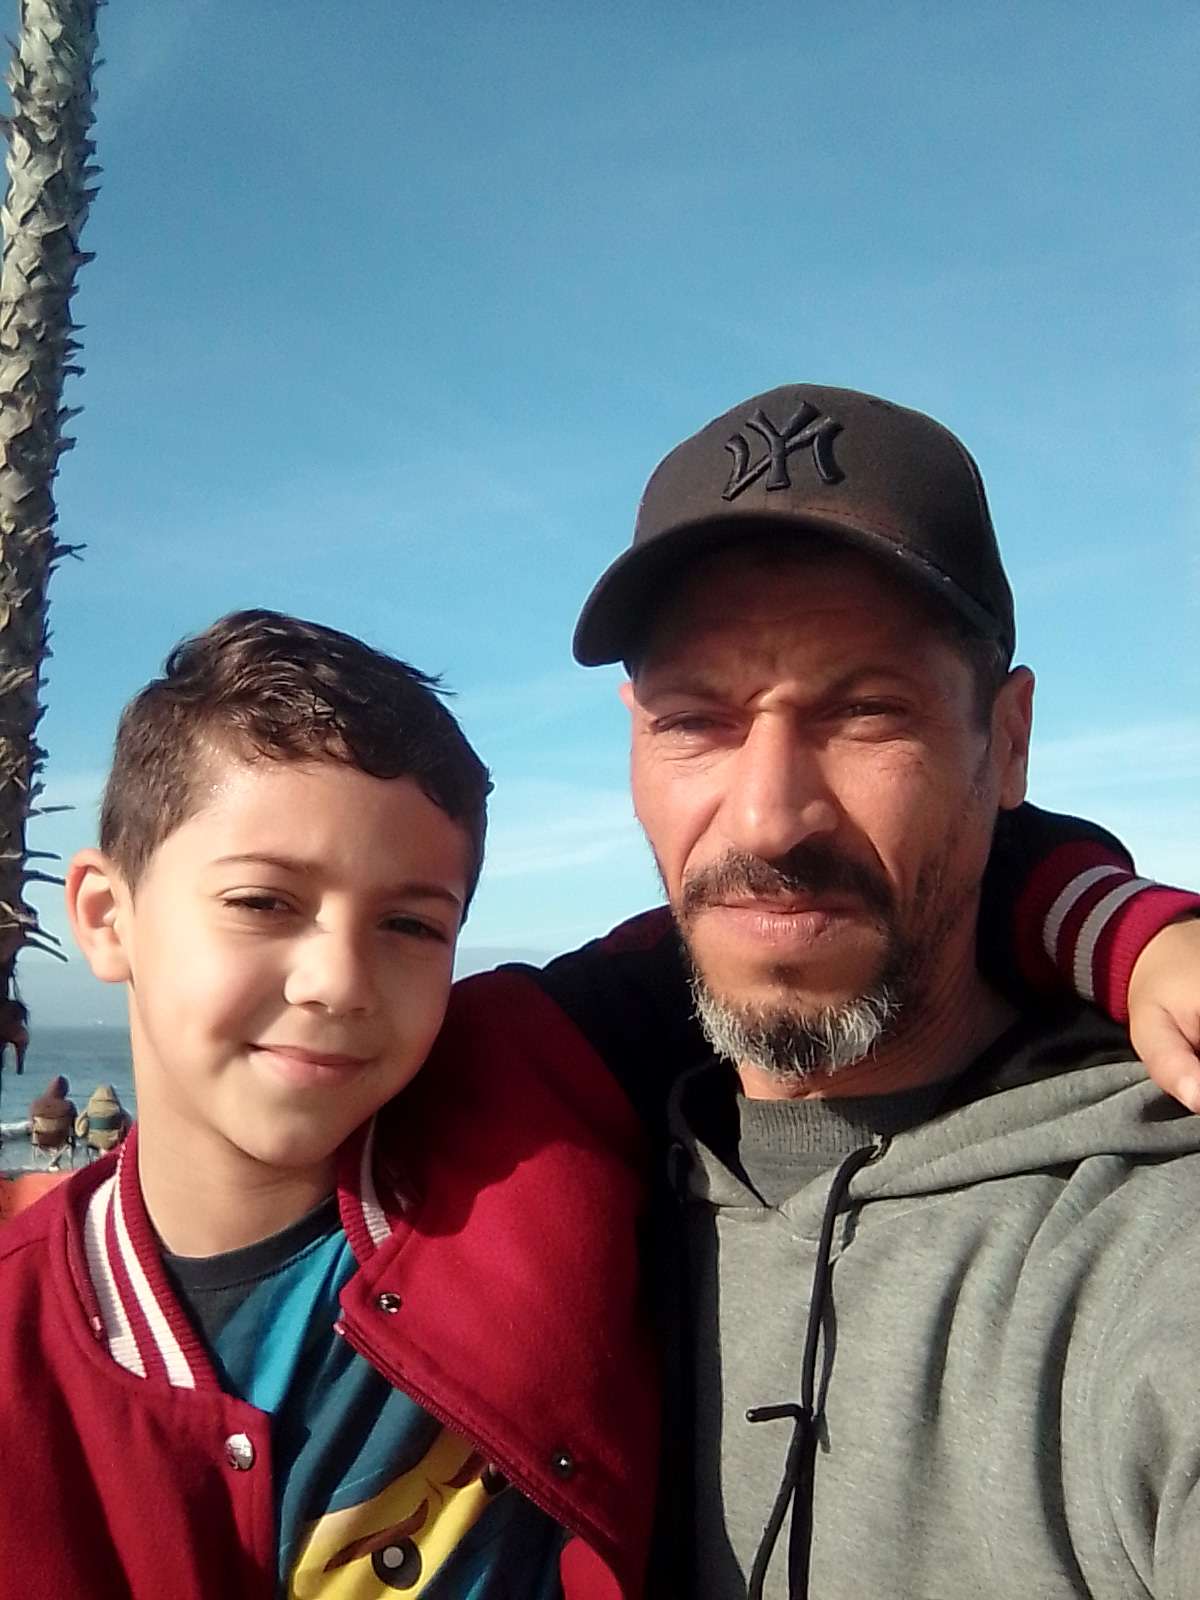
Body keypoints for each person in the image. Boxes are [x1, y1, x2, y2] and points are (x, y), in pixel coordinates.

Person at [549, 383, 1200, 1597]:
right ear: (633, 739)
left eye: (865, 712)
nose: (769, 816)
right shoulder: (532, 1190)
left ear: (1008, 742)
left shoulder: (1153, 1244)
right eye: (697, 720)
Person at [0, 612, 656, 1599]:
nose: (340, 982)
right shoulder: (20, 1348)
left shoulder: (535, 1107)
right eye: (264, 902)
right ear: (106, 916)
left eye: (410, 924)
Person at [28, 1073, 76, 1168]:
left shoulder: (36, 1104)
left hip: (41, 1140)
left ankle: (51, 1162)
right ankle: (56, 1161)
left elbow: (31, 1124)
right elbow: (74, 1123)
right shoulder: (68, 1106)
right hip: (61, 1139)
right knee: (70, 1134)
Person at [74, 1082, 132, 1157]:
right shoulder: (117, 1108)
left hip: (94, 1140)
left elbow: (79, 1129)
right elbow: (129, 1125)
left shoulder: (91, 1108)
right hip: (114, 1140)